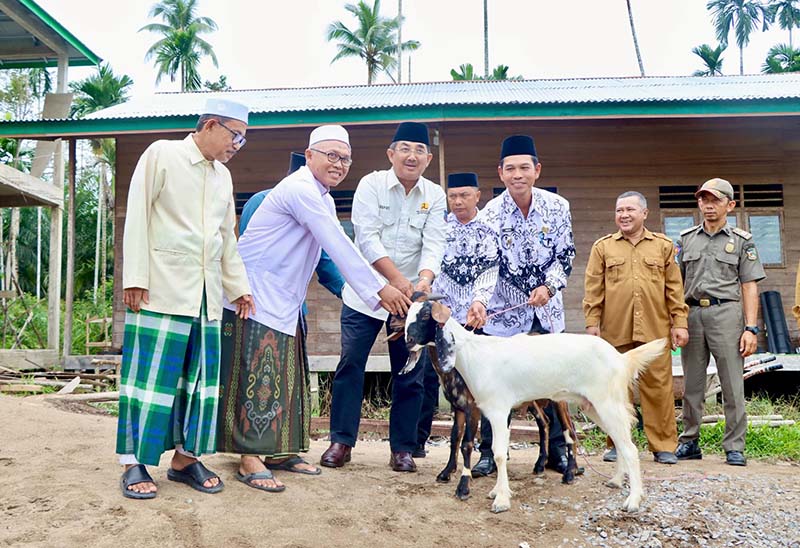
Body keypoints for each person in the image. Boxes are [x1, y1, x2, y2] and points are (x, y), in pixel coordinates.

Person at [216, 125, 410, 492]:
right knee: (254, 375)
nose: (339, 164)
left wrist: (369, 291)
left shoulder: (319, 195)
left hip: (285, 300)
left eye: (345, 158)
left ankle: (279, 450)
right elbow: (338, 243)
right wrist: (379, 289)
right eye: (331, 156)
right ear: (310, 156)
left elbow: (329, 255)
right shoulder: (301, 189)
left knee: (285, 375)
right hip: (254, 295)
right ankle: (249, 457)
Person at [117, 98, 256, 499]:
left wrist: (238, 286)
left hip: (206, 295)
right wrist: (136, 276)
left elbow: (226, 237)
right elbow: (138, 213)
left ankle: (185, 458)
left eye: (242, 140)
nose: (236, 146)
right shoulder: (163, 154)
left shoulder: (223, 177)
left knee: (197, 382)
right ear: (210, 125)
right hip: (161, 287)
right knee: (150, 380)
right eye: (235, 136)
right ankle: (133, 461)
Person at [321, 121, 447, 473]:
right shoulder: (371, 185)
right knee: (350, 367)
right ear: (391, 153)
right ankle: (341, 442)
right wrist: (396, 282)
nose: (412, 156)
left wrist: (423, 281)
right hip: (367, 294)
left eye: (419, 150)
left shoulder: (434, 195)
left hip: (412, 299)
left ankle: (403, 449)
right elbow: (367, 238)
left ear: (428, 158)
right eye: (404, 148)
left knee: (411, 372)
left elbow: (435, 242)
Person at [472, 134, 576, 477]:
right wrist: (480, 302)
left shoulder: (557, 207)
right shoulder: (489, 214)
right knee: (495, 385)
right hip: (504, 316)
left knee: (553, 381)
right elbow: (486, 265)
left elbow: (566, 255)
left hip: (547, 310)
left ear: (537, 170)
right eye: (511, 169)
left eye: (524, 168)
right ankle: (489, 453)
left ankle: (556, 453)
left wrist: (550, 286)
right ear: (500, 173)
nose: (518, 175)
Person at [583, 191, 689, 465]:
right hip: (614, 332)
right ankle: (617, 444)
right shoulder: (603, 247)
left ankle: (663, 446)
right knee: (615, 389)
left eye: (630, 209)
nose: (624, 215)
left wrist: (679, 322)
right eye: (619, 210)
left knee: (659, 388)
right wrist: (592, 324)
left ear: (644, 213)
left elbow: (674, 289)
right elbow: (593, 289)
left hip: (655, 330)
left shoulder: (663, 246)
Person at [675, 178, 766, 467]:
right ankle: (689, 441)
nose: (708, 205)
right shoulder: (686, 239)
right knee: (692, 384)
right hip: (692, 314)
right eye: (703, 200)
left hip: (726, 314)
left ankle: (734, 446)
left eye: (714, 200)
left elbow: (749, 284)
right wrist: (676, 320)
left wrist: (751, 328)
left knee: (731, 383)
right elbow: (675, 284)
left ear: (730, 204)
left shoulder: (741, 240)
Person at [415, 172, 499, 456]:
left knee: (483, 383)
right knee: (430, 377)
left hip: (478, 318)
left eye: (465, 195)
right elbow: (429, 264)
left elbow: (490, 268)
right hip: (443, 319)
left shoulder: (489, 227)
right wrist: (438, 306)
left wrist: (480, 301)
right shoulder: (438, 228)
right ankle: (417, 442)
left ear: (478, 196)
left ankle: (488, 450)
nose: (458, 201)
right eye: (453, 196)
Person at [239, 151, 345, 304]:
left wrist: (345, 291)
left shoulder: (321, 203)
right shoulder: (261, 200)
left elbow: (325, 254)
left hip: (293, 298)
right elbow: (247, 251)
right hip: (255, 296)